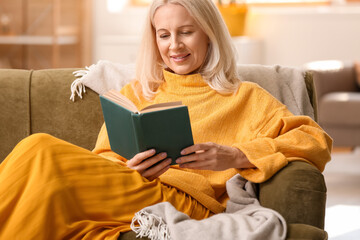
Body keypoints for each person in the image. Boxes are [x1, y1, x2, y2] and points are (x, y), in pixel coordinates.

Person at [0, 0, 332, 239]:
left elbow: (314, 139)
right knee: (36, 162)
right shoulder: (137, 93)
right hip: (132, 188)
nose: (174, 46)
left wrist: (234, 156)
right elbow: (101, 161)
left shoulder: (245, 96)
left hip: (191, 203)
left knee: (39, 147)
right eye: (163, 35)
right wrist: (132, 168)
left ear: (209, 34)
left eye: (186, 32)